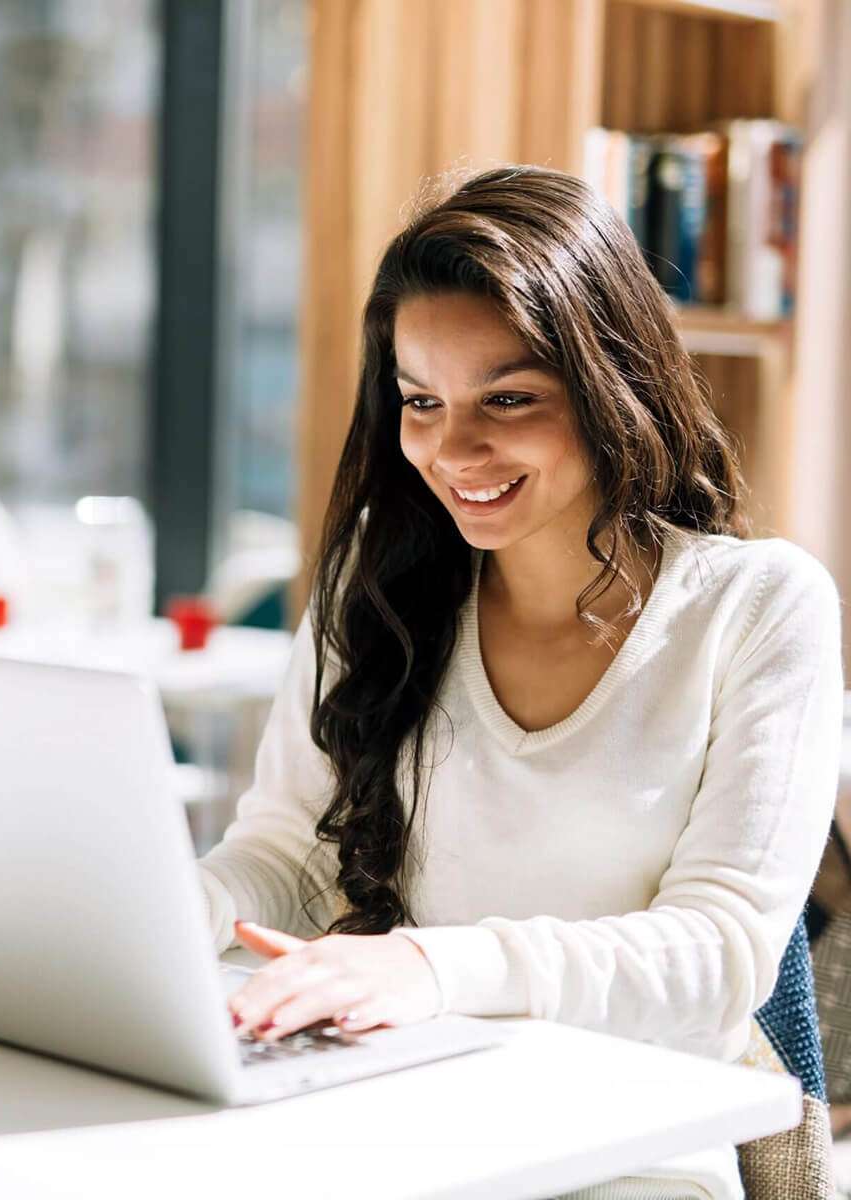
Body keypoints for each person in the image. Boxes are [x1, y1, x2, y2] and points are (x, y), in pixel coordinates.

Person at [196, 164, 845, 1199]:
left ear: (611, 386)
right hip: (405, 1111)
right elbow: (281, 853)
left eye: (508, 399)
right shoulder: (380, 591)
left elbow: (723, 952)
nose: (453, 448)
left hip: (638, 1147)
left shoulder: (760, 607)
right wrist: (153, 924)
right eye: (421, 401)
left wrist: (431, 968)